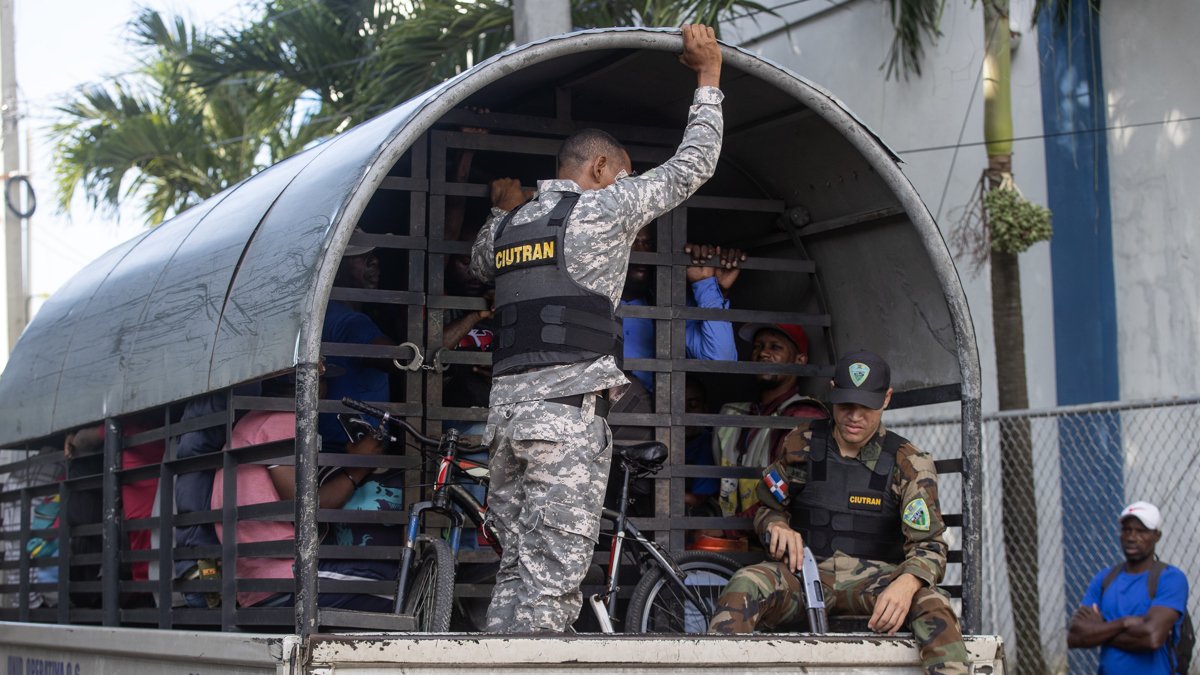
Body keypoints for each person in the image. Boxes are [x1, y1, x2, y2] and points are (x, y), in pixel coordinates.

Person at [468, 24, 724, 633]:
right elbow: (694, 165)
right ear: (603, 167)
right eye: (623, 173)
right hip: (563, 421)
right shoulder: (603, 207)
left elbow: (480, 263)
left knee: (515, 572)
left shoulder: (508, 227)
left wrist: (499, 207)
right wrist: (708, 75)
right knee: (551, 583)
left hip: (504, 425)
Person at [709, 350, 970, 675]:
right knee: (746, 582)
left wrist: (908, 581)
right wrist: (776, 524)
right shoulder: (800, 443)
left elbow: (931, 546)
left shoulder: (910, 463)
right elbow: (766, 507)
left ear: (886, 399)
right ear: (832, 391)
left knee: (934, 605)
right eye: (846, 404)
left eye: (866, 405)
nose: (854, 416)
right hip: (805, 580)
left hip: (878, 586)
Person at [211, 370, 395, 611]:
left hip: (258, 582)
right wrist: (360, 467)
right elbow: (309, 507)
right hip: (287, 578)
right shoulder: (282, 420)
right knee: (399, 587)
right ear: (311, 384)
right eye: (323, 376)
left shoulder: (251, 421)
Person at [714, 323, 827, 520]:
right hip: (734, 540)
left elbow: (789, 493)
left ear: (800, 360)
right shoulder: (732, 414)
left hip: (774, 538)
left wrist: (727, 529)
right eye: (758, 346)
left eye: (775, 347)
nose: (763, 353)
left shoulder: (804, 416)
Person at [1068, 501, 1190, 674]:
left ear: (1157, 536)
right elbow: (1075, 637)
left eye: (1141, 531)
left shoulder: (1170, 578)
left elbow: (1152, 637)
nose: (1132, 537)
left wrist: (1100, 630)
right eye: (1126, 530)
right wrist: (1123, 623)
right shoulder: (1104, 578)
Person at [620, 226, 743, 392]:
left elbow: (721, 360)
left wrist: (707, 286)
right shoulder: (590, 304)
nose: (641, 252)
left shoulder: (670, 310)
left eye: (649, 244)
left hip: (650, 415)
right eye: (631, 242)